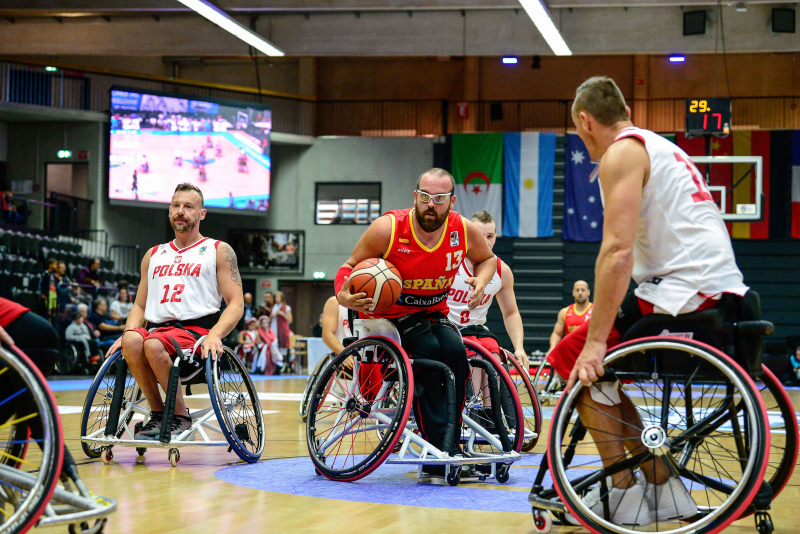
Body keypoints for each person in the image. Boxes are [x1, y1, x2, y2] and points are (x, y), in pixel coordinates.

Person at [547, 76, 750, 525]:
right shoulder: (659, 146)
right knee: (600, 373)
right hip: (721, 291)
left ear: (584, 121)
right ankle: (663, 487)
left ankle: (625, 493)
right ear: (626, 112)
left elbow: (617, 251)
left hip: (686, 296)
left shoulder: (621, 152)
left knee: (573, 358)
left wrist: (595, 340)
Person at [335, 167, 496, 464]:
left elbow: (486, 259)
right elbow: (349, 266)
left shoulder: (461, 229)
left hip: (432, 313)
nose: (430, 204)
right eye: (424, 196)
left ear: (452, 200)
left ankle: (450, 437)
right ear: (415, 196)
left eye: (438, 197)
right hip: (388, 317)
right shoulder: (389, 228)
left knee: (456, 352)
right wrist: (342, 294)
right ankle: (436, 446)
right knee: (430, 354)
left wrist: (482, 280)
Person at [105, 183, 244, 441]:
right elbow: (140, 305)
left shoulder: (218, 250)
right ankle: (159, 414)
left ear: (201, 214)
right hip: (157, 331)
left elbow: (236, 302)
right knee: (134, 340)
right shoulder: (154, 254)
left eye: (188, 207)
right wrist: (126, 333)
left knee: (154, 343)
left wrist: (215, 335)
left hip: (195, 333)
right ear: (169, 211)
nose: (181, 211)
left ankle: (179, 416)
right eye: (176, 206)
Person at [446, 210, 529, 371]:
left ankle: (492, 397)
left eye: (489, 236)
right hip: (448, 329)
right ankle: (472, 397)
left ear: (495, 238)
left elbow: (511, 313)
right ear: (468, 236)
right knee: (475, 358)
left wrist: (519, 347)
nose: (484, 241)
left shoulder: (502, 270)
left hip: (477, 330)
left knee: (495, 355)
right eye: (479, 235)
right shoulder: (451, 262)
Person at [544, 280, 593, 391]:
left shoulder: (594, 311)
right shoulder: (565, 312)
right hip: (569, 353)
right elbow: (556, 334)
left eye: (583, 290)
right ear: (573, 293)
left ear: (588, 292)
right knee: (558, 352)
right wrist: (552, 348)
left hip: (587, 351)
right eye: (577, 290)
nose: (580, 292)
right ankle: (562, 386)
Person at [269, 291, 292, 374]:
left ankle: (284, 365)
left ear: (281, 298)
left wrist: (282, 314)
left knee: (283, 346)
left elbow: (290, 320)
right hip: (274, 328)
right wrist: (272, 315)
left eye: (278, 297)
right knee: (275, 346)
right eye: (275, 297)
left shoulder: (287, 307)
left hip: (282, 329)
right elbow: (269, 318)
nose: (276, 299)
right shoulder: (273, 307)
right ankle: (276, 365)